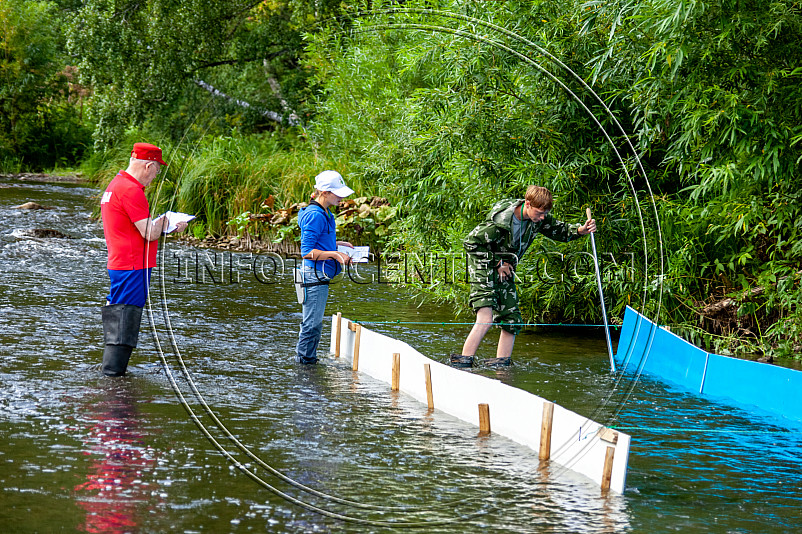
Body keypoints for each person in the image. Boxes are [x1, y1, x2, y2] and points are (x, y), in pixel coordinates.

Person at [452, 185, 596, 368]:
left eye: (545, 213)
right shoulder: (500, 222)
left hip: (506, 266)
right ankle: (463, 363)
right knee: (486, 317)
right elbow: (471, 243)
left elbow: (559, 229)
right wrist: (498, 263)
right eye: (540, 212)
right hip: (484, 266)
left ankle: (500, 367)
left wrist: (580, 230)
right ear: (527, 204)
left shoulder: (538, 218)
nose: (543, 217)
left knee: (512, 320)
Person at [99, 142, 188, 376]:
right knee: (125, 316)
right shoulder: (131, 189)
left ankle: (113, 374)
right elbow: (149, 232)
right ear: (148, 165)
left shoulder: (115, 184)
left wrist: (159, 223)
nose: (156, 175)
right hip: (133, 265)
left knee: (120, 312)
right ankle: (113, 376)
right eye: (157, 169)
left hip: (122, 262)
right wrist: (167, 223)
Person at [296, 170, 355, 364]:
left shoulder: (325, 212)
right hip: (313, 276)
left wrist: (338, 244)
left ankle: (308, 360)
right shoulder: (315, 215)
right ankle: (305, 363)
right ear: (325, 193)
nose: (341, 198)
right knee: (312, 324)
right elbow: (307, 252)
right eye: (338, 194)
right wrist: (336, 255)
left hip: (319, 276)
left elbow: (320, 241)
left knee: (314, 322)